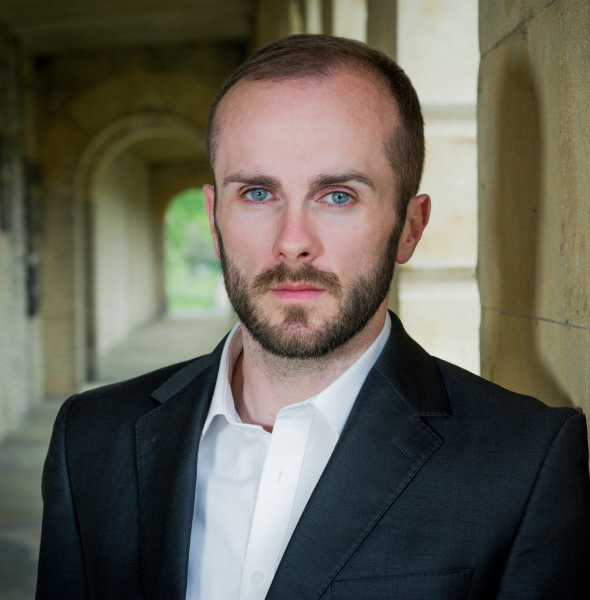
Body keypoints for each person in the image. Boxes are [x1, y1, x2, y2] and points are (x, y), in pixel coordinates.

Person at [36, 34, 590, 600]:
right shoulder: (90, 438)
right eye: (257, 193)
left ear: (410, 226)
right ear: (213, 218)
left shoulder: (523, 465)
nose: (293, 242)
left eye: (338, 196)